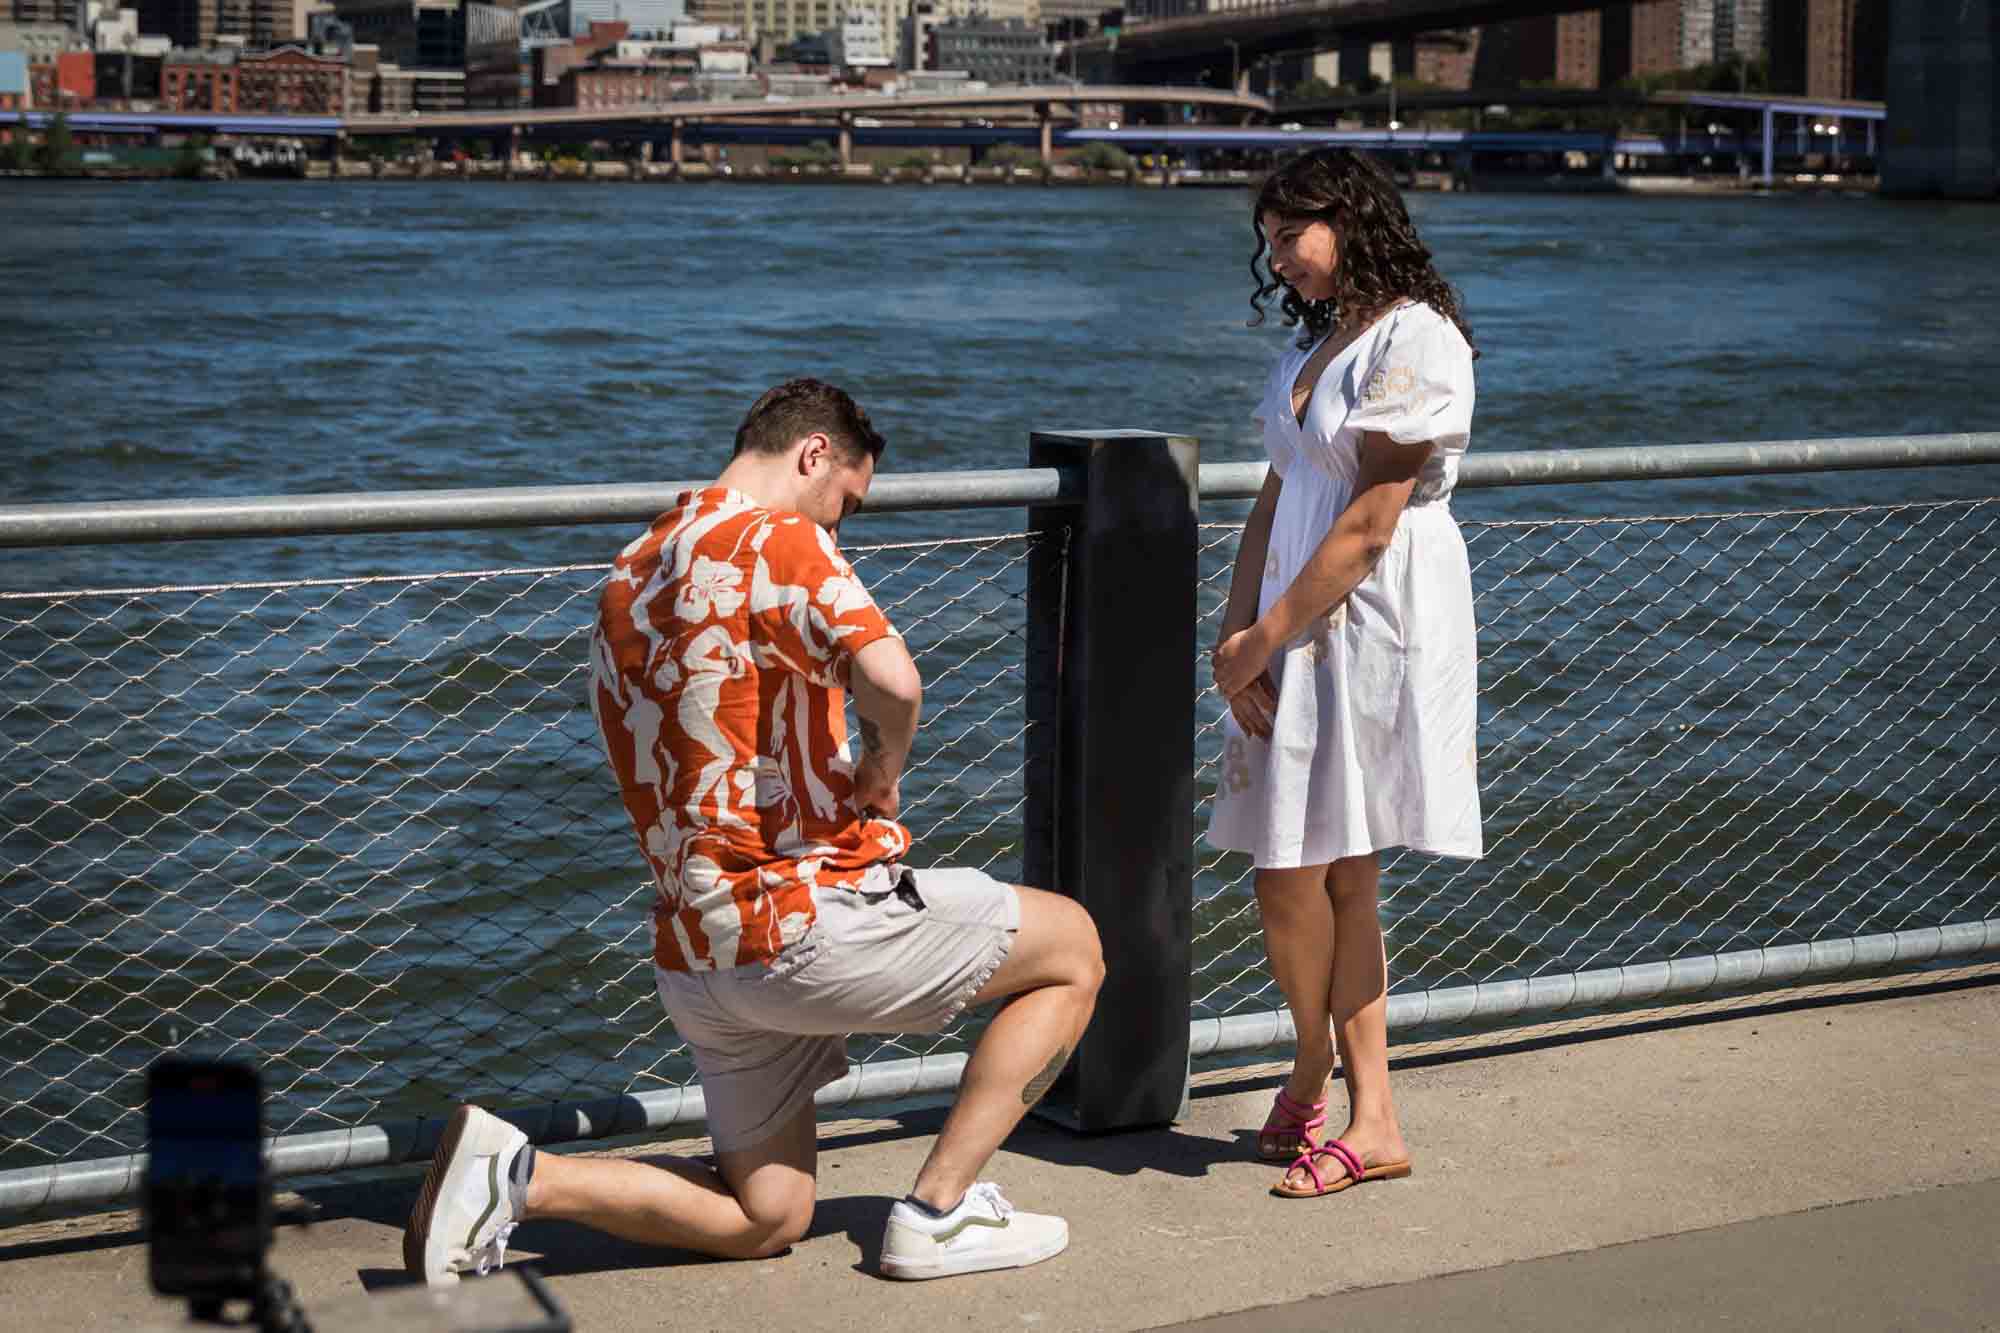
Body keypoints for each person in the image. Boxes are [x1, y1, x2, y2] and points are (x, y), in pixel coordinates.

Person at [403, 377, 1104, 1283]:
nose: (842, 526)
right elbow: (897, 680)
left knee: (766, 1213)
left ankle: (514, 1179)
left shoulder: (633, 565)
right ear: (814, 454)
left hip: (698, 955)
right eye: (848, 500)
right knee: (1076, 946)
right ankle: (938, 1210)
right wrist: (880, 777)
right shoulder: (781, 537)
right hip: (798, 928)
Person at [1207, 149, 1484, 1201]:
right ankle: (1326, 1075)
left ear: (1352, 221)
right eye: (1267, 241)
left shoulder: (1416, 340)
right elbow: (1277, 500)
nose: (1277, 261)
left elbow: (1370, 522)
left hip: (1368, 621)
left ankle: (1359, 1105)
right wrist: (1235, 629)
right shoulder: (1316, 342)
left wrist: (1265, 635)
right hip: (1292, 613)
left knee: (1323, 865)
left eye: (1291, 236)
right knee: (1301, 869)